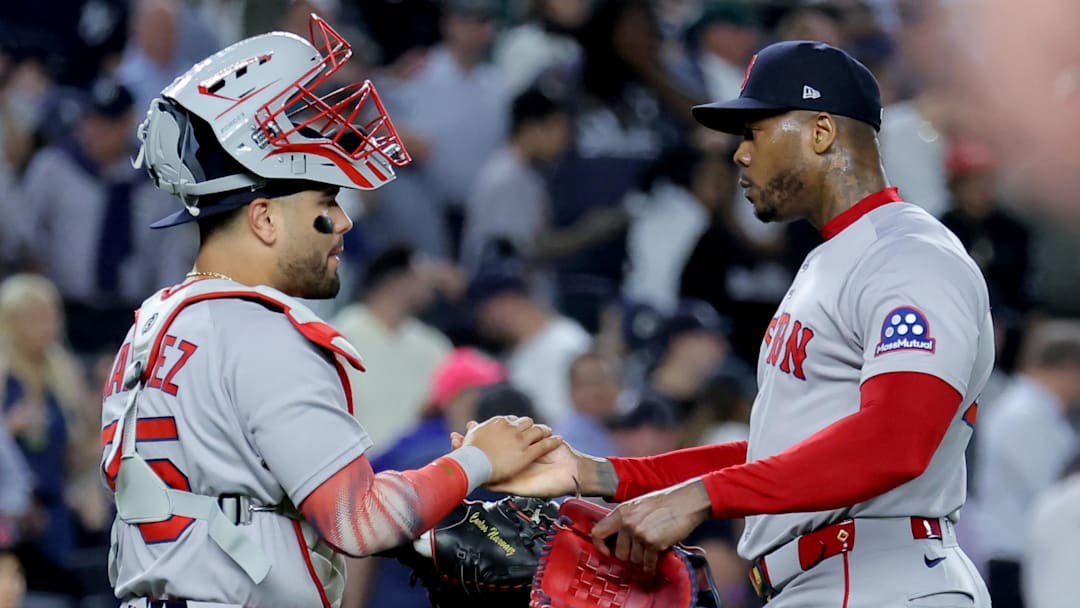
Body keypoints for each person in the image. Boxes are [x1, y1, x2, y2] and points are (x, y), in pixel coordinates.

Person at [464, 41, 996, 607]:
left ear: (820, 133)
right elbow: (783, 450)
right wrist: (598, 474)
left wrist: (697, 498)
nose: (740, 155)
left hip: (880, 576)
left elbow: (896, 441)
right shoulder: (834, 259)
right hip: (831, 577)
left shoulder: (911, 257)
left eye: (755, 131)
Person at [99, 15, 560, 607]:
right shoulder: (261, 333)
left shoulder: (156, 322)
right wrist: (477, 459)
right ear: (263, 219)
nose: (342, 221)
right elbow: (358, 521)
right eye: (324, 201)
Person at [972, 320, 1080, 608]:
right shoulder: (1023, 414)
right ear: (1068, 370)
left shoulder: (1041, 412)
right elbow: (1054, 489)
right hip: (1014, 556)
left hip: (1033, 551)